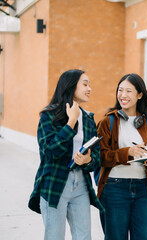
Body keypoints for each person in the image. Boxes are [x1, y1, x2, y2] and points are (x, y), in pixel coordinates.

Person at [28, 69, 103, 240]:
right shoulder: (49, 116)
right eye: (85, 84)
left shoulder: (89, 118)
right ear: (71, 86)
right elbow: (50, 152)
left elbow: (96, 158)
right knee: (54, 236)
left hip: (81, 185)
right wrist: (70, 123)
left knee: (84, 236)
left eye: (89, 84)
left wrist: (88, 160)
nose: (89, 88)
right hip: (55, 183)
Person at [97, 73, 147, 240]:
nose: (123, 95)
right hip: (114, 188)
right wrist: (128, 152)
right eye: (120, 90)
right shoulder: (108, 121)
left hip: (143, 189)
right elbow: (101, 157)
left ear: (140, 95)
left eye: (128, 91)